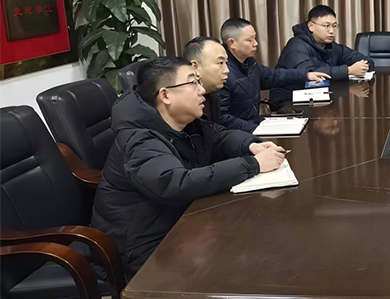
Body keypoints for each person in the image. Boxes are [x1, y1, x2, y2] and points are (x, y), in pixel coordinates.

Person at [91, 57, 286, 280]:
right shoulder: (138, 139)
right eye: (193, 83)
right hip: (144, 248)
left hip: (182, 223)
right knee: (244, 265)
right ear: (165, 95)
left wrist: (251, 145)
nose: (202, 90)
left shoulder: (182, 121)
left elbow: (219, 136)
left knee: (258, 242)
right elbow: (177, 183)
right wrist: (254, 164)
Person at [220, 17, 330, 132]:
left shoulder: (250, 63)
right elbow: (222, 119)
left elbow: (274, 76)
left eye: (255, 38)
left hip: (255, 127)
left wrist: (306, 75)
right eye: (249, 40)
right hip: (240, 134)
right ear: (232, 43)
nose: (255, 43)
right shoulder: (223, 73)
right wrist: (258, 129)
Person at [276, 5, 374, 82]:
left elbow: (361, 58)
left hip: (318, 95)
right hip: (289, 98)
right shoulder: (296, 46)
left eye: (334, 26)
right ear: (311, 26)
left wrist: (364, 65)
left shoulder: (331, 46)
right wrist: (348, 71)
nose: (331, 31)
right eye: (326, 26)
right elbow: (311, 74)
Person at [182, 36, 227, 123]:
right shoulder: (185, 102)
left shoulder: (214, 95)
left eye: (226, 62)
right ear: (195, 66)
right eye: (220, 63)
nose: (226, 70)